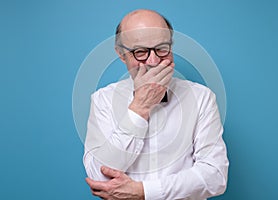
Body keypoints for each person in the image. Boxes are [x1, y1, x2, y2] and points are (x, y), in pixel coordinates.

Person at [83, 9, 229, 200]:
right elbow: (99, 176)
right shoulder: (103, 100)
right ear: (121, 54)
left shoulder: (201, 97)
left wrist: (143, 192)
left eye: (161, 48)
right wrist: (140, 107)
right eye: (140, 52)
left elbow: (215, 177)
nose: (153, 61)